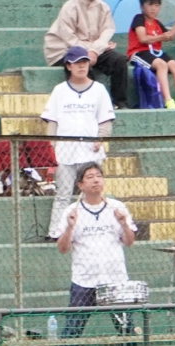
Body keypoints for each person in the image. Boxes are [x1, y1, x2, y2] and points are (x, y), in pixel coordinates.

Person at [56, 162, 137, 340]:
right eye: (90, 177)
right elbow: (62, 248)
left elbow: (129, 242)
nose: (96, 181)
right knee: (71, 331)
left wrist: (123, 223)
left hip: (115, 279)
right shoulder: (71, 211)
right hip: (84, 280)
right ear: (80, 185)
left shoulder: (117, 207)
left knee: (126, 331)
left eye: (98, 176)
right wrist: (70, 227)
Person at [43, 47, 115, 241]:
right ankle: (55, 232)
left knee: (92, 190)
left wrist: (101, 138)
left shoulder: (98, 89)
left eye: (84, 62)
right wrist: (52, 145)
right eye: (77, 62)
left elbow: (105, 119)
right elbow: (52, 121)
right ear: (69, 66)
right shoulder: (60, 90)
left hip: (89, 150)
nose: (81, 66)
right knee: (63, 193)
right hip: (65, 150)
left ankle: (93, 229)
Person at [44, 0, 129, 110]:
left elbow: (106, 32)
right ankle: (92, 104)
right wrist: (90, 50)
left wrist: (94, 50)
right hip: (64, 49)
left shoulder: (103, 7)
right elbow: (68, 36)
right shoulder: (71, 6)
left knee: (119, 60)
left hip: (95, 49)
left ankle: (120, 102)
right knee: (83, 64)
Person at [128, 0, 175, 109]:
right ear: (141, 6)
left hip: (155, 53)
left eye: (157, 5)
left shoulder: (157, 22)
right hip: (139, 52)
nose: (153, 8)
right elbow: (143, 38)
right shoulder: (139, 18)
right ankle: (168, 100)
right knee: (161, 64)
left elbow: (170, 36)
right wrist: (160, 37)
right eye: (150, 5)